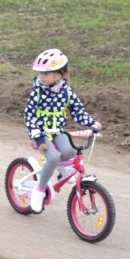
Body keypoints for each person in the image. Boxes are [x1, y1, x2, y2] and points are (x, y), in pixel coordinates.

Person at [23, 48, 101, 213]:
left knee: (70, 151)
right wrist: (38, 137)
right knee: (52, 158)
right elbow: (29, 115)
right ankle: (39, 191)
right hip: (41, 134)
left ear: (58, 75)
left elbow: (78, 111)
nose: (41, 77)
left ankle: (61, 170)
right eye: (40, 74)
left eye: (45, 74)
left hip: (58, 131)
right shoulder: (37, 93)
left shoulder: (66, 92)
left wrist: (92, 124)